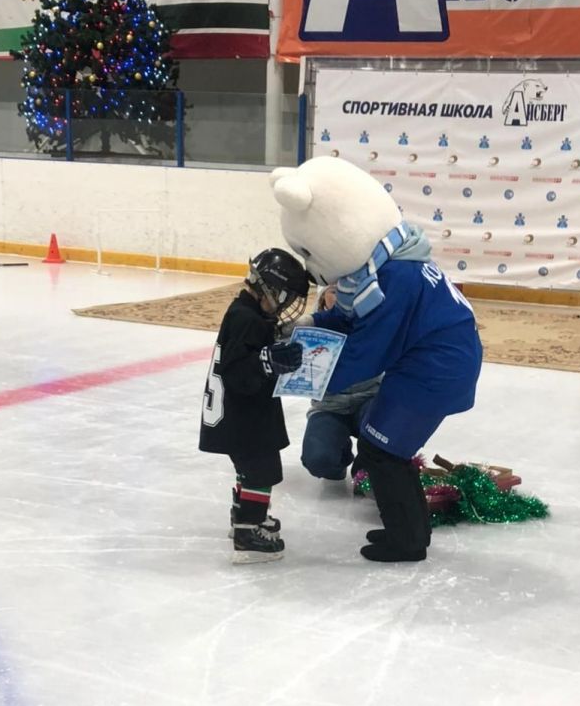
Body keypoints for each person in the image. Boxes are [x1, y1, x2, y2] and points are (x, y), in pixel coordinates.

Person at [271, 156, 483, 564]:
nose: (314, 270)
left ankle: (407, 541)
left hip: (434, 372)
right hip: (428, 366)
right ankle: (411, 530)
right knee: (383, 447)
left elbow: (365, 354)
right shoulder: (385, 269)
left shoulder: (396, 280)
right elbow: (351, 315)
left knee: (384, 452)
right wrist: (314, 323)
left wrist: (304, 371)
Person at [198, 248, 309, 563]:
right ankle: (249, 532)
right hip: (243, 417)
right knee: (263, 470)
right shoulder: (247, 319)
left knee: (250, 469)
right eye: (286, 297)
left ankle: (244, 516)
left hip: (243, 415)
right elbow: (236, 372)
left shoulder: (246, 312)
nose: (287, 305)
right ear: (272, 289)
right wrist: (267, 359)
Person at [299, 285, 381, 481]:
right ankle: (340, 455)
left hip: (370, 399)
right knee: (318, 460)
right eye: (335, 292)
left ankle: (365, 467)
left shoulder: (374, 323)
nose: (343, 299)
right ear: (322, 297)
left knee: (387, 436)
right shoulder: (310, 332)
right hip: (329, 407)